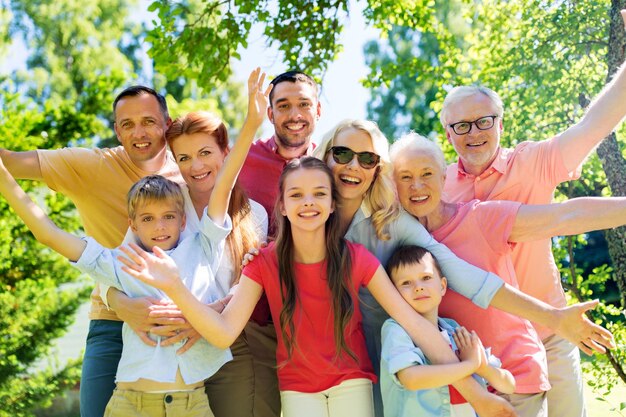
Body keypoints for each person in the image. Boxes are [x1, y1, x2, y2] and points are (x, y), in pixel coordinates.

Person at [118, 156, 509, 417]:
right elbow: (221, 333)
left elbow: (415, 324)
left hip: (351, 382)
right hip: (297, 388)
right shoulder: (266, 262)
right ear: (283, 206)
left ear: (332, 204)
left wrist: (477, 394)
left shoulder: (356, 258)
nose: (309, 203)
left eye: (320, 194)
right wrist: (174, 285)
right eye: (297, 195)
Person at [0, 69, 270, 417]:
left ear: (184, 219)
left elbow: (224, 188)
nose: (159, 225)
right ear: (134, 223)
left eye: (168, 217)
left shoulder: (204, 236)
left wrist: (251, 123)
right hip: (130, 392)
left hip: (200, 376)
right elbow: (50, 234)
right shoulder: (138, 244)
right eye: (147, 219)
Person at [312, 119, 614, 417]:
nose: (353, 165)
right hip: (323, 364)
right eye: (341, 154)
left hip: (400, 357)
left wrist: (553, 317)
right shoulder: (306, 217)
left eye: (367, 158)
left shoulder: (392, 223)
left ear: (378, 170)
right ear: (326, 155)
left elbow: (465, 277)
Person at [439, 53, 626, 414]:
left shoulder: (533, 162)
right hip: (485, 350)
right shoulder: (437, 188)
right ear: (448, 133)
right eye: (462, 125)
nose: (474, 132)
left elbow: (595, 126)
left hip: (551, 332)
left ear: (501, 125)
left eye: (484, 121)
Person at [390, 132, 626, 416]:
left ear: (444, 179)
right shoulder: (399, 241)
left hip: (512, 377)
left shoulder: (481, 217)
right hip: (455, 390)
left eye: (427, 173)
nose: (417, 186)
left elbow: (563, 215)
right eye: (405, 177)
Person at [0, 84, 182, 417]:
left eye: (149, 121)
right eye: (127, 124)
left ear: (167, 123)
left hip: (179, 324)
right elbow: (9, 163)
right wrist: (118, 299)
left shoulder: (190, 172)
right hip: (112, 322)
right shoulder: (90, 166)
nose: (138, 133)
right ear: (116, 130)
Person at [237, 70, 322, 417]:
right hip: (257, 322)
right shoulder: (243, 161)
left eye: (304, 104)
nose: (295, 114)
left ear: (318, 110)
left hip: (317, 324)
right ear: (269, 113)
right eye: (283, 105)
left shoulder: (332, 163)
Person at [381, 245, 515, 417]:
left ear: (443, 286)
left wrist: (482, 367)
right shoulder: (396, 330)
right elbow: (411, 378)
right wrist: (469, 366)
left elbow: (508, 385)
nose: (418, 287)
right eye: (406, 283)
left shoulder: (455, 331)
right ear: (393, 294)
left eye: (426, 277)